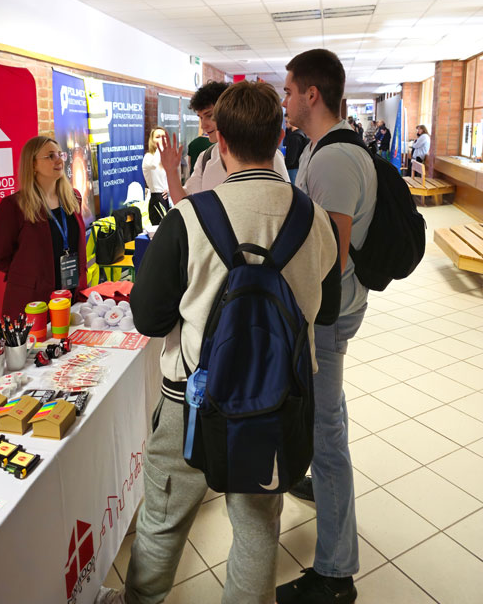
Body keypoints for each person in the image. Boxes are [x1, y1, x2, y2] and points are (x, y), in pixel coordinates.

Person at [96, 81, 341, 604]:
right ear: (280, 135)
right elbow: (330, 309)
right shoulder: (313, 217)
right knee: (256, 526)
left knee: (163, 518)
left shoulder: (189, 218)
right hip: (277, 403)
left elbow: (147, 317)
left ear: (220, 143)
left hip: (191, 400)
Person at [278, 49, 376, 604]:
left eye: (289, 91)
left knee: (328, 433)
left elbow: (332, 260)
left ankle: (336, 574)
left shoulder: (334, 160)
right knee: (325, 420)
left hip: (328, 316)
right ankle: (319, 488)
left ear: (312, 94)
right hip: (331, 311)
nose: (285, 100)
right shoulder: (320, 148)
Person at [0, 136, 87, 318]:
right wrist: (28, 273)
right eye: (50, 156)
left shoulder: (73, 197)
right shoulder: (16, 205)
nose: (59, 160)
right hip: (33, 301)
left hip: (70, 293)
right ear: (32, 165)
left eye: (60, 154)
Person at [159, 80, 289, 201]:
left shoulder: (267, 156)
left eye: (209, 116)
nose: (203, 125)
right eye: (200, 118)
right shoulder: (206, 158)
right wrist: (171, 172)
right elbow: (184, 204)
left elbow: (283, 202)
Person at [142, 127, 170, 225]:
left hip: (167, 198)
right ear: (152, 140)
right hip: (157, 199)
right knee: (161, 229)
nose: (162, 139)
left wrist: (168, 190)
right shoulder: (149, 157)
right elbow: (154, 164)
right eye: (158, 137)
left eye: (164, 137)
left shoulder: (165, 158)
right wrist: (160, 148)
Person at [282, 114, 309, 184]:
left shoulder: (295, 137)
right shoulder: (301, 133)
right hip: (298, 168)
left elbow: (291, 159)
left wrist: (283, 165)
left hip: (293, 169)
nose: (285, 124)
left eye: (286, 122)